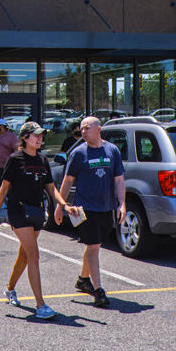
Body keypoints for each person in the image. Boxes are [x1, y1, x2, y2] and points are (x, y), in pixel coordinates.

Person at [0, 120, 81, 320]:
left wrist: (64, 205)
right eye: (36, 135)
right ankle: (41, 305)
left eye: (41, 135)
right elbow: (4, 188)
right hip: (18, 212)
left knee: (25, 255)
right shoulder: (15, 159)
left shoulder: (42, 160)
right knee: (34, 255)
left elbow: (51, 188)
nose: (40, 138)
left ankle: (10, 289)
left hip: (37, 213)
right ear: (25, 138)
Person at [54, 115, 125, 308]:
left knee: (94, 245)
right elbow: (67, 181)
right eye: (81, 128)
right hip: (84, 209)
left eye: (87, 128)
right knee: (93, 247)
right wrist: (59, 206)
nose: (83, 132)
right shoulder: (78, 153)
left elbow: (119, 180)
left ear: (99, 129)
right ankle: (99, 290)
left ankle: (83, 279)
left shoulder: (112, 150)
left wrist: (122, 204)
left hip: (106, 207)